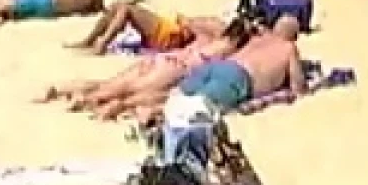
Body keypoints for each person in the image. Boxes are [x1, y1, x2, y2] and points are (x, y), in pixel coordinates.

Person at [40, 29, 245, 120]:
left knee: (108, 84)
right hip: (175, 67)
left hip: (162, 59)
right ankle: (88, 100)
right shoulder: (230, 54)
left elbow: (190, 22)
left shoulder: (208, 36)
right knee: (128, 94)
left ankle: (63, 90)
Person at [158, 15, 307, 118]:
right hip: (237, 78)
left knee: (176, 95)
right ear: (294, 37)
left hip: (219, 66)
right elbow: (298, 88)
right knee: (195, 108)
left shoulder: (259, 37)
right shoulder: (289, 48)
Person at [70, 0, 222, 54]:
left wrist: (184, 25)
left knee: (125, 9)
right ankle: (91, 40)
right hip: (165, 30)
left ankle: (102, 43)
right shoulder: (208, 22)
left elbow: (193, 33)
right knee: (119, 4)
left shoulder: (202, 25)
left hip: (167, 36)